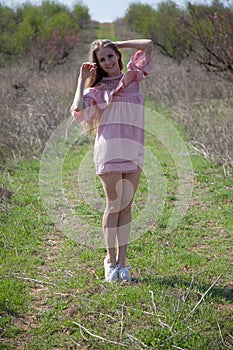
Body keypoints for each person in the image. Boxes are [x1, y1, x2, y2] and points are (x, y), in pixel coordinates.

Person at [70, 38, 153, 282]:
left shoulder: (133, 77)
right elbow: (77, 109)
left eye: (110, 56)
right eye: (102, 59)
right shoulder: (96, 91)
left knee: (127, 206)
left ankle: (123, 264)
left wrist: (116, 43)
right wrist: (81, 80)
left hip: (134, 148)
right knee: (113, 205)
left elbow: (147, 44)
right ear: (97, 64)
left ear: (117, 55)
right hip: (109, 150)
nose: (107, 62)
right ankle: (110, 261)